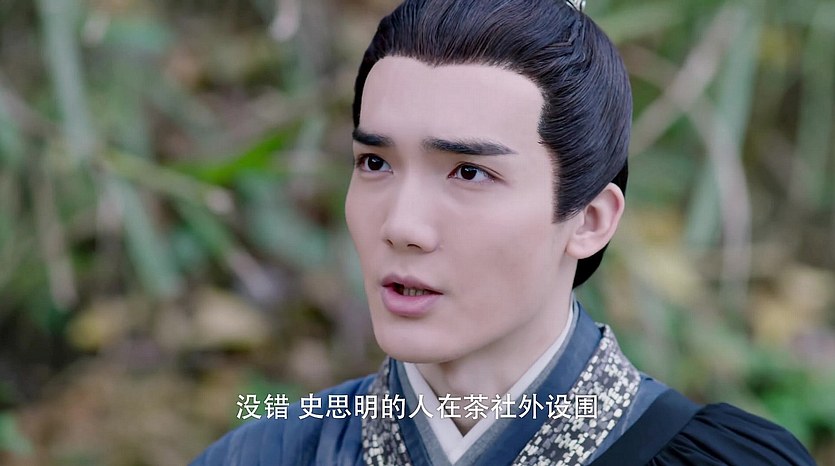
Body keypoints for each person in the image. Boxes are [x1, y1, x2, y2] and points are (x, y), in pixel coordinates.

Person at [191, 0, 816, 464]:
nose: (402, 225)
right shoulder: (264, 455)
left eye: (469, 172)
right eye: (375, 163)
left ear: (590, 219)